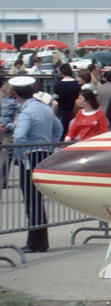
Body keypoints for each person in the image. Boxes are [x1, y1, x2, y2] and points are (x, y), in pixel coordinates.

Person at [11, 76, 62, 253]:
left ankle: (35, 242)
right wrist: (50, 146)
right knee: (36, 201)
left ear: (16, 94)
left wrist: (19, 155)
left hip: (30, 156)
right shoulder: (44, 108)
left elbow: (19, 136)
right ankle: (39, 241)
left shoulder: (26, 112)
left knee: (31, 201)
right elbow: (58, 129)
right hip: (43, 155)